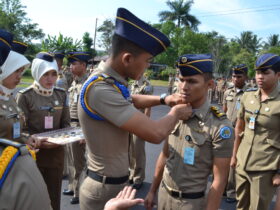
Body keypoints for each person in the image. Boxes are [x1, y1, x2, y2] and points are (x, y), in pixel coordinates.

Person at [77, 8, 192, 210]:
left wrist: (164, 99)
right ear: (127, 58)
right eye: (147, 61)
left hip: (114, 184)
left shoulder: (109, 82)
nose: (147, 66)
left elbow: (130, 99)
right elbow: (156, 134)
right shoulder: (100, 89)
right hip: (103, 190)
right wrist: (176, 113)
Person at [145, 54, 234, 210]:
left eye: (192, 81)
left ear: (210, 84)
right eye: (181, 79)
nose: (184, 87)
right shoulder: (176, 113)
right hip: (164, 196)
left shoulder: (220, 126)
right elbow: (165, 155)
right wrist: (152, 190)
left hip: (191, 203)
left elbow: (219, 179)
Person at [0, 29, 52, 210]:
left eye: (22, 71)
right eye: (16, 71)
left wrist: (26, 139)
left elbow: (14, 130)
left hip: (15, 166)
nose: (19, 76)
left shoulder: (10, 98)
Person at [16, 52, 71, 210]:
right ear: (36, 72)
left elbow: (66, 124)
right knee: (35, 199)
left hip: (56, 155)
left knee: (54, 198)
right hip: (33, 156)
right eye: (45, 74)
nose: (50, 79)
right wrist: (30, 138)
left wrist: (74, 135)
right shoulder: (25, 96)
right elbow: (20, 129)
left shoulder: (61, 94)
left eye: (54, 74)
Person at [231, 53, 280, 210]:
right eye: (258, 73)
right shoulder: (248, 96)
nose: (260, 77)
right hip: (242, 162)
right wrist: (234, 156)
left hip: (265, 169)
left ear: (278, 75)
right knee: (241, 206)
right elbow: (239, 128)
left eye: (266, 73)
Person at [62, 51, 91, 204]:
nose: (71, 67)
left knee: (80, 161)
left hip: (81, 126)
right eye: (71, 64)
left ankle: (80, 193)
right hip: (71, 125)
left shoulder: (88, 83)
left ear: (84, 65)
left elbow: (90, 110)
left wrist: (86, 133)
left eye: (74, 64)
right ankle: (73, 186)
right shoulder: (75, 82)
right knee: (72, 160)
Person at [222, 64, 248, 203]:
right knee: (223, 158)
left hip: (241, 132)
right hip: (226, 130)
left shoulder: (249, 94)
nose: (235, 79)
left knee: (234, 161)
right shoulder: (228, 92)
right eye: (233, 76)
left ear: (246, 77)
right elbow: (224, 109)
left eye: (239, 76)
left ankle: (231, 192)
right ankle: (222, 187)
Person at [129, 74, 153, 189]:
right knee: (130, 150)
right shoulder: (133, 83)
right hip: (129, 121)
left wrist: (146, 124)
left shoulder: (146, 85)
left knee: (138, 151)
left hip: (139, 122)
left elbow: (148, 106)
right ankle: (131, 173)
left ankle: (138, 178)